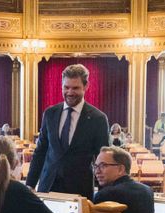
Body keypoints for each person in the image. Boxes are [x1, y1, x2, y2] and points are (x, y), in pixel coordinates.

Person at [25, 64, 110, 200]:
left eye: (75, 88)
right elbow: (40, 151)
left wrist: (103, 195)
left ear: (86, 86)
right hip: (48, 187)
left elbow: (102, 160)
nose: (70, 92)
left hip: (79, 191)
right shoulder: (50, 113)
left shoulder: (98, 118)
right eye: (66, 87)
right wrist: (30, 185)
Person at [92, 146, 154, 213]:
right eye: (96, 166)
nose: (97, 171)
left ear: (120, 169)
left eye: (103, 165)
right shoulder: (147, 190)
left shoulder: (105, 195)